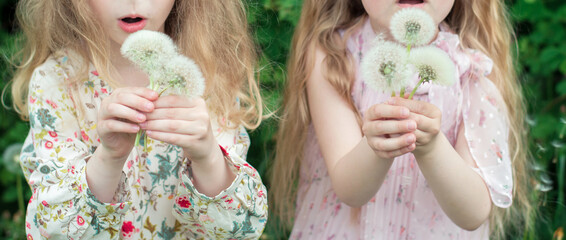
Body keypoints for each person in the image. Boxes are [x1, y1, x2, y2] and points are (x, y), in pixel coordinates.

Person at [270, 0, 533, 239]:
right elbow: (349, 190)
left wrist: (431, 148)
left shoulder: (473, 70)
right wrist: (376, 146)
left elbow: (473, 212)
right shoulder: (334, 56)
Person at [10, 0, 267, 239]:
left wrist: (207, 156)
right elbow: (55, 231)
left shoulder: (207, 74)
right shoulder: (59, 80)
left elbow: (238, 230)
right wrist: (109, 157)